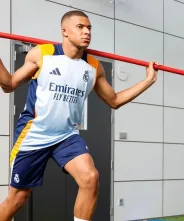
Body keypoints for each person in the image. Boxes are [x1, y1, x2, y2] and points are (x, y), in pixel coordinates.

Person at [0, 10, 158, 221]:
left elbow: (115, 101)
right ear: (64, 31)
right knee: (18, 198)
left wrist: (147, 81)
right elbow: (9, 84)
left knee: (90, 177)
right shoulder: (43, 54)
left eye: (89, 28)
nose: (87, 32)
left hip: (66, 135)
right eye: (80, 27)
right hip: (34, 134)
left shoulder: (93, 67)